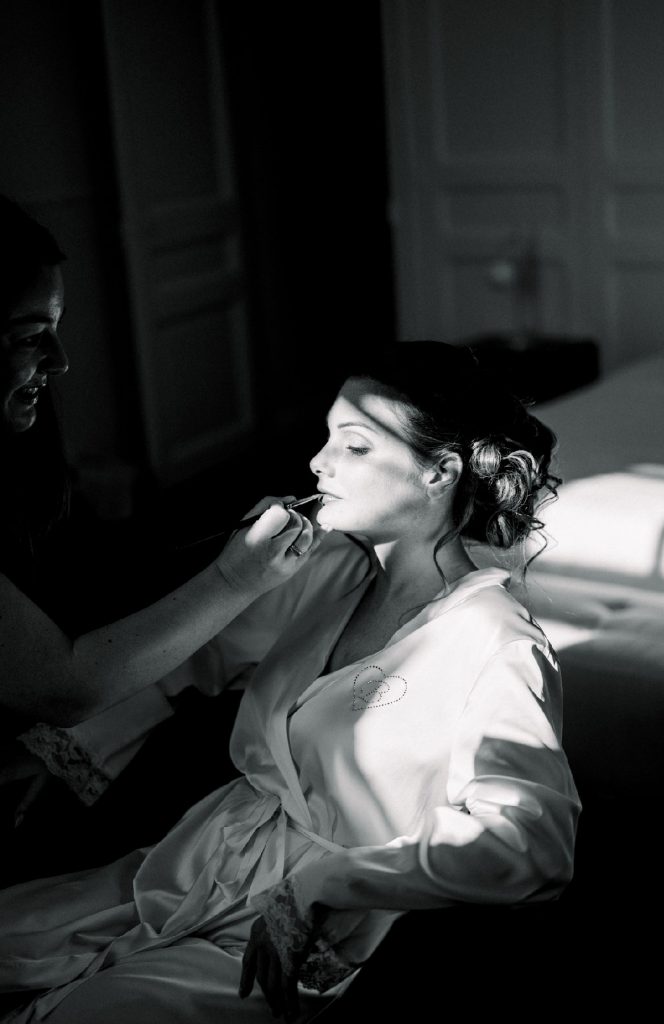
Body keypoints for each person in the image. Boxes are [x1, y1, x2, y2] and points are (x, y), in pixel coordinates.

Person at [0, 338, 581, 1023]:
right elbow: (192, 664)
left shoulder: (493, 637)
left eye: (354, 445)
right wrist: (54, 756)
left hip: (301, 927)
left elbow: (531, 839)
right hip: (187, 865)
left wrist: (335, 883)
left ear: (440, 472)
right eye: (326, 437)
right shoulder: (325, 568)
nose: (317, 462)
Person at [0, 195, 320, 859]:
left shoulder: (22, 448)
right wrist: (236, 576)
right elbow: (64, 684)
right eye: (31, 336)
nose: (60, 362)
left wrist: (223, 554)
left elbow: (94, 573)